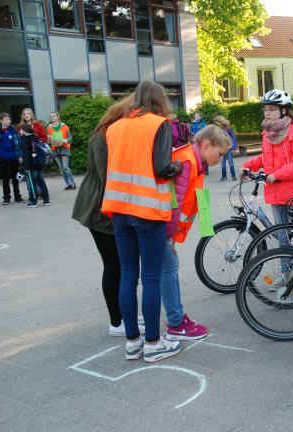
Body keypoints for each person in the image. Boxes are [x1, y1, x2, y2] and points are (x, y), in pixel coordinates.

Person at [101, 81, 183, 363]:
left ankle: (133, 342)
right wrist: (178, 167)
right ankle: (153, 344)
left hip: (119, 210)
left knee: (127, 275)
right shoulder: (157, 124)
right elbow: (162, 167)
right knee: (150, 278)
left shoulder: (115, 126)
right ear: (160, 101)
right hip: (147, 211)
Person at [72, 96, 148, 337]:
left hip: (108, 205)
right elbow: (108, 178)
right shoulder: (103, 134)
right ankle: (117, 321)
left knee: (121, 266)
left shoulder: (113, 132)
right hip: (100, 208)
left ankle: (124, 314)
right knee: (115, 266)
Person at [161, 124, 231, 340]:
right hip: (162, 229)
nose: (220, 159)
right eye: (219, 154)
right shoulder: (188, 161)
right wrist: (170, 237)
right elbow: (176, 203)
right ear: (206, 145)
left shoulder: (195, 162)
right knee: (168, 270)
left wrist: (208, 228)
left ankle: (177, 316)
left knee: (167, 270)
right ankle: (175, 322)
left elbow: (200, 196)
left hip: (163, 229)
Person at [241, 89, 293, 288]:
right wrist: (249, 166)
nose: (267, 113)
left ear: (283, 111)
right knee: (282, 238)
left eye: (272, 109)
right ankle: (286, 274)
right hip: (274, 194)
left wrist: (277, 175)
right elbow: (266, 159)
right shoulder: (268, 133)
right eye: (265, 109)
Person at [0, 112, 24, 204]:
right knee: (5, 179)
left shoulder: (13, 130)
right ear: (1, 121)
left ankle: (17, 196)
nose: (9, 121)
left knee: (15, 178)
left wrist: (19, 156)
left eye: (9, 119)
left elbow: (19, 144)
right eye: (6, 119)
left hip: (13, 157)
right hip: (3, 158)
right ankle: (6, 198)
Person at [19, 124, 50, 207]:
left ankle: (34, 201)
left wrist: (26, 167)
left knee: (33, 183)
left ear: (25, 131)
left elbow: (26, 155)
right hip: (39, 163)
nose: (20, 131)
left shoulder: (25, 139)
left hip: (31, 165)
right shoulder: (35, 137)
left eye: (21, 130)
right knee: (41, 182)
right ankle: (46, 200)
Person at [47, 112, 76, 190]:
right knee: (61, 168)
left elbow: (70, 138)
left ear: (58, 117)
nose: (52, 118)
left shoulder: (64, 126)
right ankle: (68, 184)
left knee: (65, 167)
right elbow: (48, 140)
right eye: (51, 116)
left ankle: (73, 183)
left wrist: (65, 140)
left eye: (54, 116)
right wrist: (49, 139)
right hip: (55, 149)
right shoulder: (49, 128)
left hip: (64, 148)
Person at [213, 115, 238, 181]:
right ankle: (224, 176)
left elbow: (233, 138)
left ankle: (233, 176)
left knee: (231, 163)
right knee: (223, 164)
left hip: (228, 149)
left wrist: (233, 147)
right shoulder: (216, 130)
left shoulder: (228, 129)